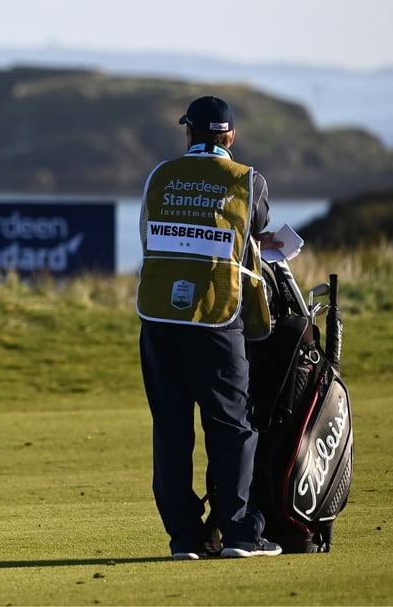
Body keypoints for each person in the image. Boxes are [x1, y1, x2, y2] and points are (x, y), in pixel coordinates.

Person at [135, 95, 283, 560]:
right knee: (231, 427)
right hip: (218, 318)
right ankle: (239, 533)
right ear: (231, 136)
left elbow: (146, 233)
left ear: (190, 133)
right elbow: (254, 228)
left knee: (172, 430)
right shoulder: (248, 180)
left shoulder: (160, 175)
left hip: (159, 317)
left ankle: (186, 538)